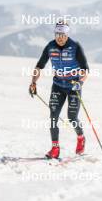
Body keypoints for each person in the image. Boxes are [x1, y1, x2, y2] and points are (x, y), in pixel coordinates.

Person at [29, 21, 89, 159]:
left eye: (62, 34)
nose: (60, 37)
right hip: (58, 86)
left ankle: (80, 137)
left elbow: (85, 69)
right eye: (57, 34)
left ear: (67, 34)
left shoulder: (75, 47)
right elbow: (39, 66)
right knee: (53, 117)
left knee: (72, 118)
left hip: (74, 86)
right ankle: (55, 148)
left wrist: (80, 82)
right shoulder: (50, 47)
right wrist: (33, 82)